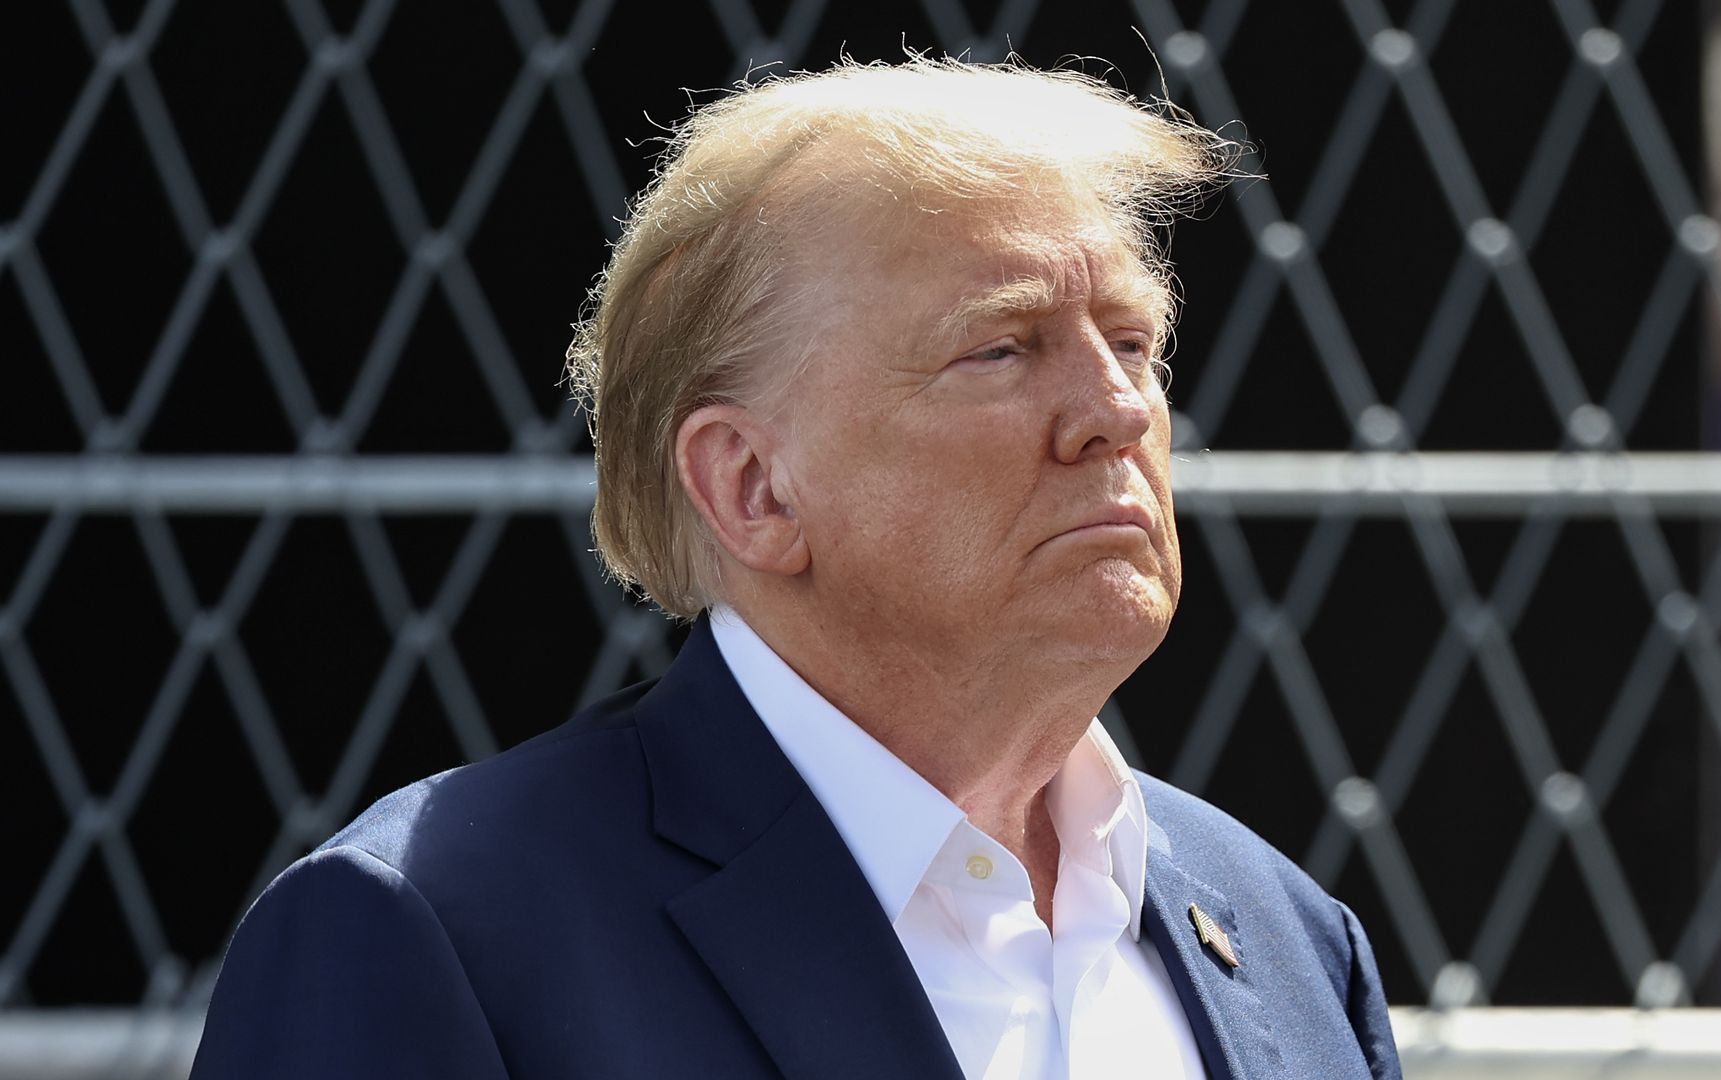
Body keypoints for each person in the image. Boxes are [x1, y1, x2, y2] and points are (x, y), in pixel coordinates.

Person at [189, 57, 1402, 1079]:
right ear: (751, 488)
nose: (1114, 410)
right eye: (1000, 349)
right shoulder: (435, 932)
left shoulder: (1291, 939)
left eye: (1133, 342)